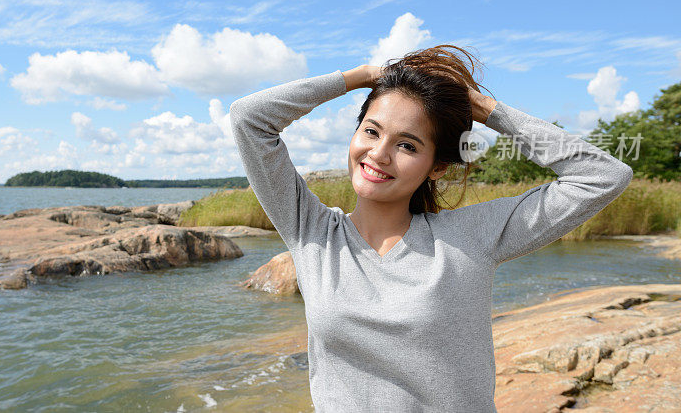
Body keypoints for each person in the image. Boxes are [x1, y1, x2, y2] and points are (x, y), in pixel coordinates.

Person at [229, 45, 633, 412]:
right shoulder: (312, 232)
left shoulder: (470, 237)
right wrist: (363, 76)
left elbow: (602, 175)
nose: (379, 154)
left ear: (437, 166)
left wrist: (484, 108)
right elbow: (250, 119)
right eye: (371, 131)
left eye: (407, 145)